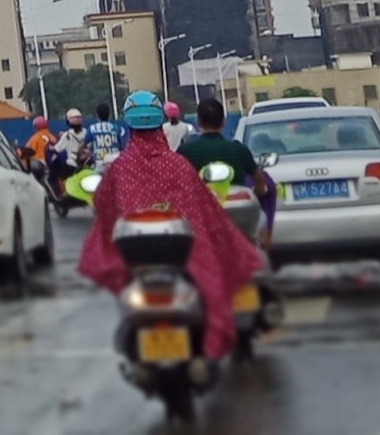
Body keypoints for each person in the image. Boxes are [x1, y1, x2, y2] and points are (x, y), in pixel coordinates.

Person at [77, 92, 266, 359]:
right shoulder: (179, 165)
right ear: (160, 124)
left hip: (137, 261)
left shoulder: (119, 168)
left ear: (129, 125)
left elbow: (103, 207)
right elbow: (204, 210)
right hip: (183, 258)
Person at [176, 95, 274, 241]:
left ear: (198, 121)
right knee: (263, 219)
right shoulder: (239, 150)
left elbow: (176, 186)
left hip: (200, 220)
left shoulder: (185, 151)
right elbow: (260, 184)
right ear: (223, 121)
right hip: (240, 219)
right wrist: (257, 194)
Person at [49, 109, 91, 214]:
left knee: (56, 169)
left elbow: (57, 149)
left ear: (68, 121)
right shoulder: (87, 132)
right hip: (87, 164)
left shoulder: (67, 135)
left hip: (72, 165)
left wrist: (51, 148)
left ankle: (63, 192)